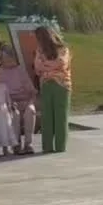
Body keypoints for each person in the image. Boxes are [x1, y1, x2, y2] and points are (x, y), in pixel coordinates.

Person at [33, 26, 72, 154]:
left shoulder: (63, 49)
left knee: (61, 116)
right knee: (47, 116)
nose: (37, 41)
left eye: (38, 38)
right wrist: (50, 66)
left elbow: (61, 63)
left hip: (62, 85)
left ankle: (60, 146)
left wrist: (46, 66)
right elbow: (37, 67)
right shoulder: (40, 51)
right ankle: (47, 146)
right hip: (46, 84)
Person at [0, 45, 38, 154]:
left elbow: (32, 92)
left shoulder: (20, 70)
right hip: (9, 102)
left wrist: (30, 102)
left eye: (10, 58)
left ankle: (28, 144)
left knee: (30, 111)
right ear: (1, 60)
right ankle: (16, 145)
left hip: (25, 100)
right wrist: (10, 102)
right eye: (6, 59)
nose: (9, 62)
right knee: (15, 114)